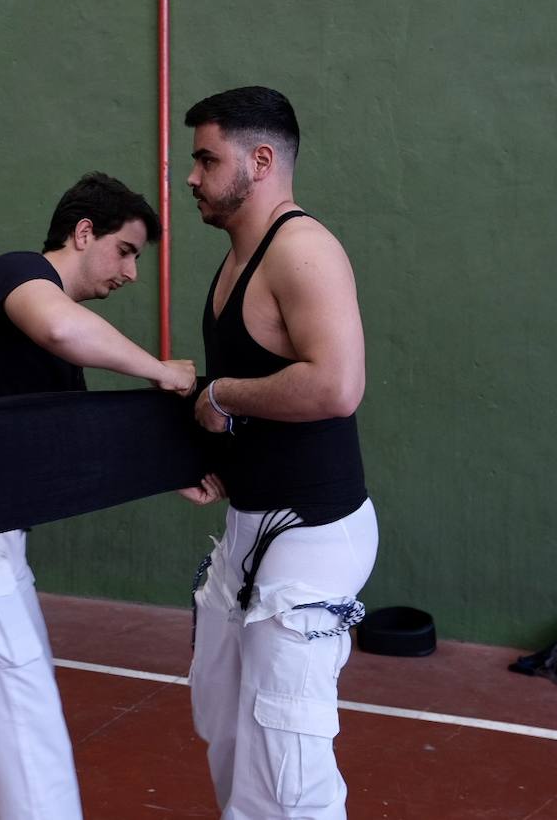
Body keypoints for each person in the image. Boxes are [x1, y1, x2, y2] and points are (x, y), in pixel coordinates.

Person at [0, 172, 202, 820]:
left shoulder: (61, 365)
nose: (132, 273)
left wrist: (175, 468)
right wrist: (161, 369)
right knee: (29, 733)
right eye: (127, 250)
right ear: (84, 232)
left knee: (5, 720)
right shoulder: (16, 272)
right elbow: (61, 328)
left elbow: (81, 449)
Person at [183, 86, 377, 819]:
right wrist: (217, 462)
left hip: (312, 536)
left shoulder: (302, 251)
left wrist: (223, 397)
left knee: (286, 762)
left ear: (260, 161)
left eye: (207, 158)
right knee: (227, 728)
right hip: (251, 528)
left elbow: (336, 385)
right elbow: (259, 391)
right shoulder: (237, 259)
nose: (193, 176)